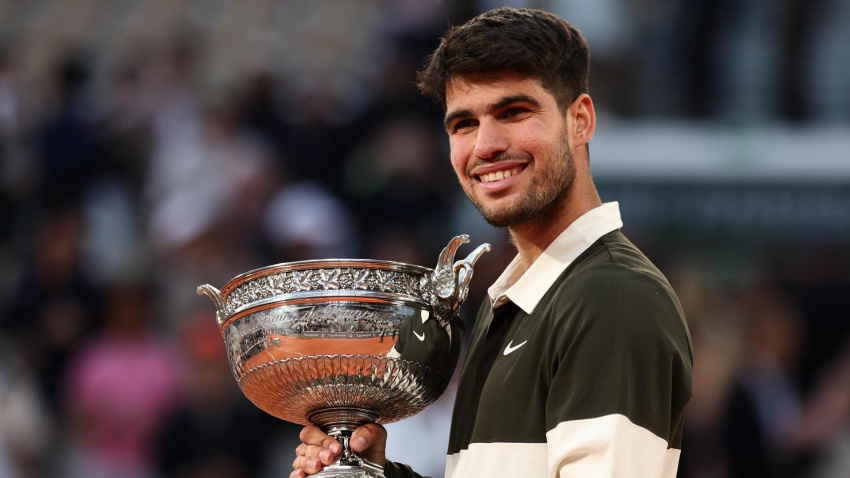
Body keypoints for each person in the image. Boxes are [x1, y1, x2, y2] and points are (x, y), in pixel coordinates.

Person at [291, 7, 693, 477]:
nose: (485, 145)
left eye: (513, 112)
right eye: (463, 124)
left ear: (580, 120)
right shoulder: (508, 302)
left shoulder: (610, 296)